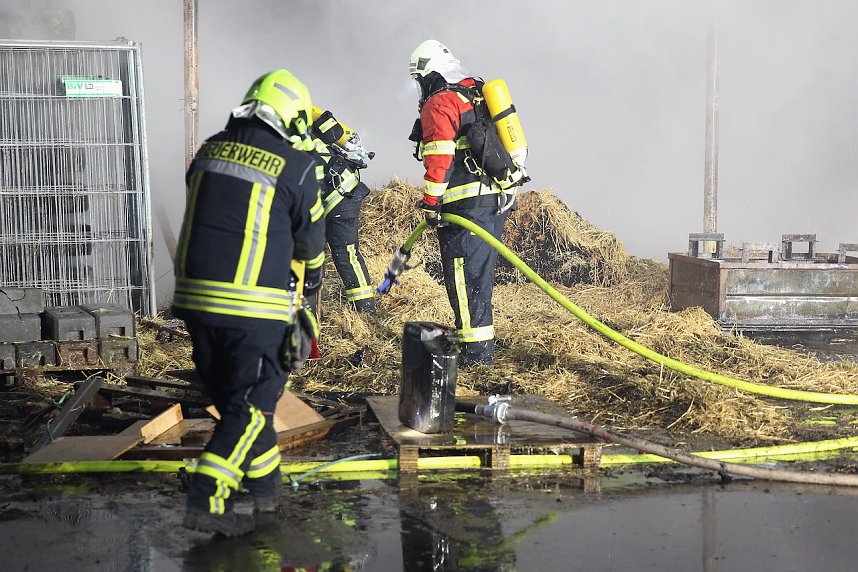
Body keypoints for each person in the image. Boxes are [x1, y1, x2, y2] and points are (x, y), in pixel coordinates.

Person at [172, 68, 326, 536]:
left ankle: (266, 499)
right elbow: (311, 251)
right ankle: (207, 501)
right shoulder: (297, 166)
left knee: (239, 406)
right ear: (291, 117)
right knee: (250, 410)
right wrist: (307, 301)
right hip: (253, 313)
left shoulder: (209, 151)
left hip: (195, 305)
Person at [408, 39, 519, 367]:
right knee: (478, 276)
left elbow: (439, 156)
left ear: (427, 74)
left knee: (463, 276)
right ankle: (479, 345)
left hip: (466, 204)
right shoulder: (475, 91)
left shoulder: (440, 102)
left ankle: (476, 355)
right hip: (495, 197)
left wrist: (431, 201)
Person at [310, 109, 376, 315]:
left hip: (340, 194)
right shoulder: (303, 127)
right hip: (343, 186)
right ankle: (365, 311)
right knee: (346, 254)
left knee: (342, 252)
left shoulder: (287, 143)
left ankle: (365, 312)